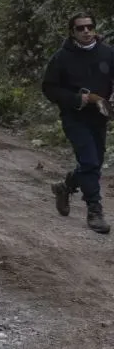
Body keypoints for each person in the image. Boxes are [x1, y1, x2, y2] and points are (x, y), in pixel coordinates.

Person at [43, 12, 114, 234]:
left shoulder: (108, 53)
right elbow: (49, 88)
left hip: (99, 117)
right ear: (72, 32)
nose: (85, 31)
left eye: (89, 27)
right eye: (80, 28)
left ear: (94, 28)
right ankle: (95, 210)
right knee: (91, 162)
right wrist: (76, 99)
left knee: (92, 163)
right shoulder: (61, 57)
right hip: (74, 117)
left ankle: (66, 187)